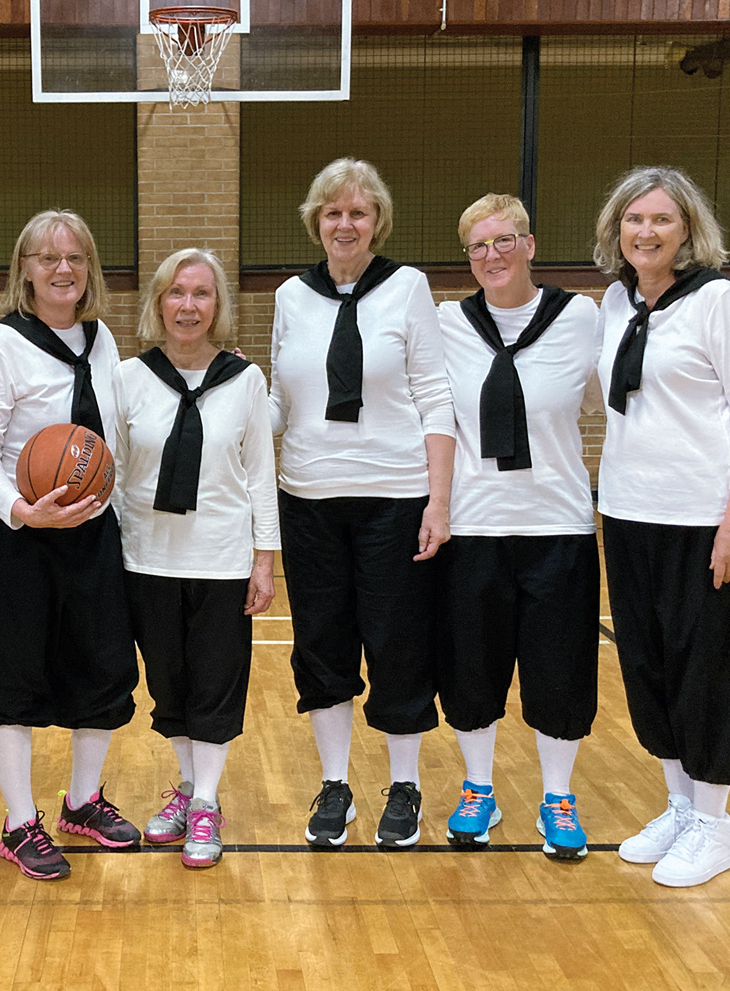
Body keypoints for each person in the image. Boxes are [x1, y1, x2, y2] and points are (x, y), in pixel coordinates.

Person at [593, 166, 730, 887]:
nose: (646, 232)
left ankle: (714, 822)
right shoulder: (615, 302)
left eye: (661, 220)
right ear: (617, 230)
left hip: (706, 518)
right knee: (651, 665)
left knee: (711, 669)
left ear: (687, 229)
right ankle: (678, 803)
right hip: (630, 512)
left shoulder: (718, 301)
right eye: (634, 220)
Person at [269, 157, 455, 848]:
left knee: (397, 642)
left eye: (358, 212)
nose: (344, 224)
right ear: (316, 222)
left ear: (377, 221)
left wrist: (439, 499)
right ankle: (336, 784)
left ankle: (403, 784)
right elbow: (282, 400)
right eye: (332, 212)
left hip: (395, 496)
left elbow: (436, 395)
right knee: (322, 645)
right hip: (310, 496)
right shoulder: (292, 295)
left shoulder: (407, 287)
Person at [0, 209, 140, 881]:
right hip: (19, 539)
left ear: (89, 266)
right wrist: (19, 510)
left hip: (91, 533)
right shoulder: (1, 346)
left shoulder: (102, 340)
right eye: (47, 257)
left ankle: (84, 802)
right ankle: (17, 822)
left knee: (103, 665)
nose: (62, 269)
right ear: (24, 269)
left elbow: (111, 437)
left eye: (75, 257)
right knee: (12, 677)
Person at [435, 194, 601, 860]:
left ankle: (557, 796)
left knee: (559, 673)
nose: (492, 256)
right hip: (474, 526)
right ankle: (479, 789)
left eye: (504, 240)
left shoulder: (580, 317)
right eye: (478, 246)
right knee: (471, 671)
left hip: (558, 524)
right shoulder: (448, 322)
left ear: (530, 245)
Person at [109, 248, 279, 869]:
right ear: (159, 303)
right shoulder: (128, 378)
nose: (188, 305)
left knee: (216, 686)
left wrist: (265, 560)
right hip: (147, 558)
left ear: (218, 307)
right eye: (177, 293)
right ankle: (187, 788)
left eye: (202, 294)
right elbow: (116, 471)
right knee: (170, 689)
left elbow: (261, 474)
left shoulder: (246, 380)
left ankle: (206, 800)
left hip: (223, 557)